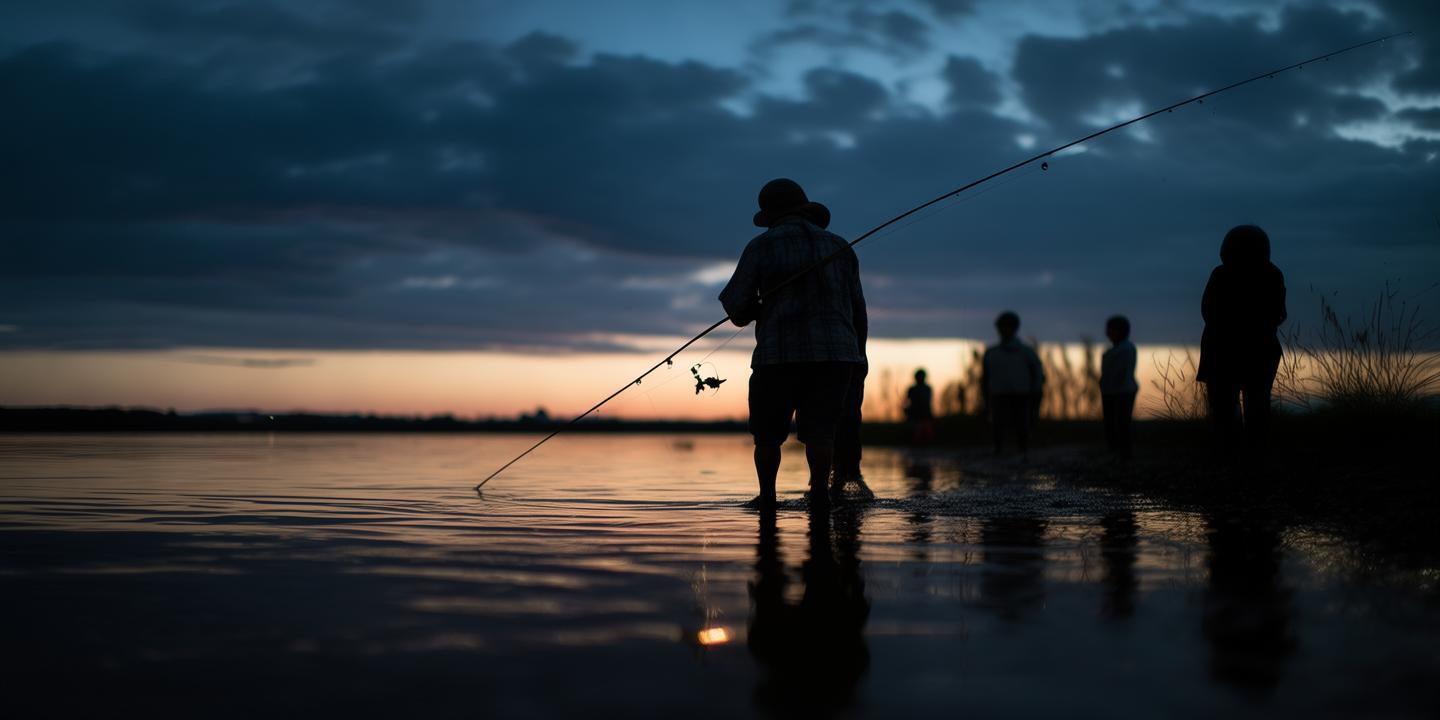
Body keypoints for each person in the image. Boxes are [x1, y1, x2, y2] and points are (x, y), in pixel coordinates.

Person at [720, 178, 867, 508]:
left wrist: (757, 308)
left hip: (777, 356)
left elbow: (737, 310)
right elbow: (858, 308)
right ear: (805, 208)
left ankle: (767, 500)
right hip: (837, 356)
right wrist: (860, 354)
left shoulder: (760, 247)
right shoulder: (840, 247)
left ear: (770, 216)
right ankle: (820, 497)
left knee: (767, 436)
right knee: (822, 434)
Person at [1196, 225, 1286, 464]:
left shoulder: (1221, 274)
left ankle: (1230, 456)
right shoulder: (1273, 274)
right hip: (1260, 350)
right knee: (1257, 403)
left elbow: (1207, 311)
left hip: (1222, 351)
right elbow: (1278, 314)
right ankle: (1255, 456)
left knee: (1223, 407)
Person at [981, 311, 1044, 456]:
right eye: (1001, 326)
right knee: (998, 425)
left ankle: (1023, 452)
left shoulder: (1026, 352)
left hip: (1021, 395)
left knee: (1022, 425)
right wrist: (985, 395)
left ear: (1014, 328)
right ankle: (999, 452)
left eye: (1007, 326)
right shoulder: (992, 353)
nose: (1003, 330)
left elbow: (1037, 374)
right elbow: (985, 377)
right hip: (999, 395)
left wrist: (1036, 392)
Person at [1100, 315, 1139, 459]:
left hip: (1121, 392)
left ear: (1120, 331)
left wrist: (1107, 384)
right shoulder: (1119, 349)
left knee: (1120, 423)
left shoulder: (1125, 350)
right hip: (1113, 391)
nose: (1107, 333)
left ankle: (1122, 453)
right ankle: (1118, 452)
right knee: (1114, 423)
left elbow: (1119, 373)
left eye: (1110, 329)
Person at [903, 368, 935, 444]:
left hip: (921, 416)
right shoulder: (927, 389)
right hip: (918, 417)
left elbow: (908, 402)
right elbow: (907, 402)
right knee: (919, 436)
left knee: (924, 435)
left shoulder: (915, 389)